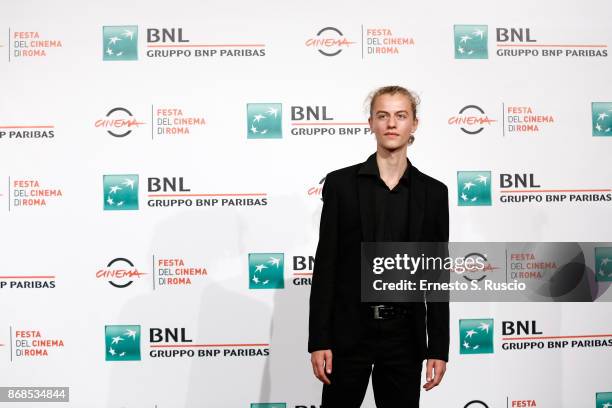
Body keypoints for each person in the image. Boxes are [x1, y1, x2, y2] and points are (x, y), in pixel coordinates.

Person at [308, 85, 450, 407]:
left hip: (405, 337)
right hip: (348, 334)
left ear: (414, 124)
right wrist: (319, 340)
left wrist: (438, 347)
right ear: (370, 123)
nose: (391, 123)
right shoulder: (341, 185)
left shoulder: (433, 193)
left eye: (401, 116)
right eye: (382, 115)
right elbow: (326, 265)